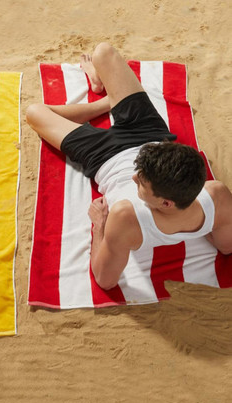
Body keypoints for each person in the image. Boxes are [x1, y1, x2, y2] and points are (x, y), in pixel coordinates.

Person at [26, 43, 232, 290]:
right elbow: (225, 245)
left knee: (34, 112)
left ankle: (104, 103)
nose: (134, 177)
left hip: (104, 154)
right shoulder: (216, 193)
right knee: (104, 52)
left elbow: (105, 279)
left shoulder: (127, 216)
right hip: (152, 136)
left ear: (166, 203)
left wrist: (100, 224)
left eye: (141, 182)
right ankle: (108, 97)